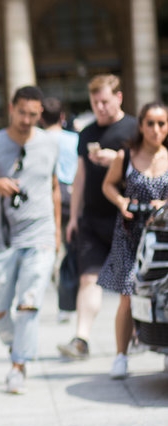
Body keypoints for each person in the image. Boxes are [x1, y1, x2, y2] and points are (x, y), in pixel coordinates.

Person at [0, 86, 61, 394]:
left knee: (28, 303)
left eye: (34, 115)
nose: (27, 120)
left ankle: (19, 366)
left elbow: (54, 189)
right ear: (12, 108)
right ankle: (17, 347)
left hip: (40, 235)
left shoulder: (50, 144)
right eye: (22, 112)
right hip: (4, 240)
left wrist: (58, 232)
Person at [58, 75, 137, 359]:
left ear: (118, 98)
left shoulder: (135, 128)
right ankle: (81, 339)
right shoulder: (87, 132)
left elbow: (147, 166)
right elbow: (79, 177)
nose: (100, 107)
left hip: (125, 219)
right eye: (95, 102)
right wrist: (74, 217)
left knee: (130, 285)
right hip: (91, 218)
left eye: (104, 101)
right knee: (88, 280)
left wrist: (115, 158)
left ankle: (136, 335)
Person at [100, 101, 168, 378]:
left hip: (161, 239)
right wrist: (121, 201)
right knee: (128, 295)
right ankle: (121, 356)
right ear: (140, 125)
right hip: (129, 235)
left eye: (161, 123)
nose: (155, 129)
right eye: (150, 123)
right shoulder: (125, 156)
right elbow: (108, 185)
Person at [40, 97, 80, 323]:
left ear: (41, 118)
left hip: (48, 200)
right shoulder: (75, 139)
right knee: (72, 250)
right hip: (74, 198)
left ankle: (63, 300)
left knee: (54, 252)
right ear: (62, 117)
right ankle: (68, 302)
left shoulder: (39, 140)